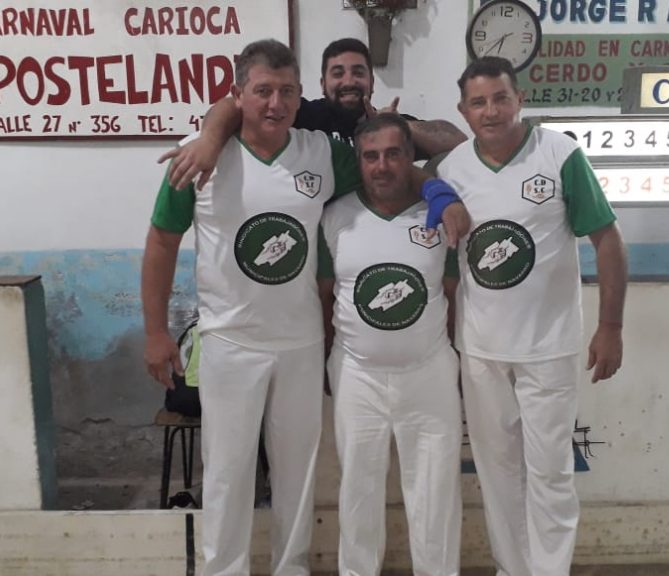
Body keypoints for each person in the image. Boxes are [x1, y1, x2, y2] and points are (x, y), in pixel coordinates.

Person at [142, 39, 463, 576]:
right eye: (262, 91)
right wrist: (154, 331)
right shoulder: (199, 157)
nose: (276, 103)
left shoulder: (321, 152)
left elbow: (391, 166)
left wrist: (439, 193)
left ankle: (291, 567)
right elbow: (161, 241)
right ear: (238, 94)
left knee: (297, 475)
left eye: (286, 91)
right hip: (228, 341)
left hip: (301, 343)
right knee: (226, 474)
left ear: (300, 95)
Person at [437, 57, 629, 576]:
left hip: (549, 346)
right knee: (498, 474)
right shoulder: (451, 170)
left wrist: (611, 326)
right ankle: (512, 568)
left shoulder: (560, 154)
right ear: (463, 111)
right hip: (481, 349)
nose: (491, 111)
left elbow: (607, 239)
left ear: (519, 100)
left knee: (550, 474)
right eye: (478, 102)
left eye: (501, 98)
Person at [318, 114, 462, 576]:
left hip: (430, 373)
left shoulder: (441, 215)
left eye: (393, 154)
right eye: (371, 156)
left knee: (436, 495)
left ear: (410, 157)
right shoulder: (335, 216)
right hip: (357, 374)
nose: (382, 166)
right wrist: (328, 361)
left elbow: (454, 295)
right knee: (358, 494)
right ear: (359, 161)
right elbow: (324, 297)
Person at [158, 38, 466, 194]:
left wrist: (397, 126)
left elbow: (456, 142)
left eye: (358, 73)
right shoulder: (302, 113)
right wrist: (209, 141)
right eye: (338, 73)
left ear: (371, 82)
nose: (349, 81)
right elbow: (232, 106)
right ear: (322, 83)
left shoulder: (391, 126)